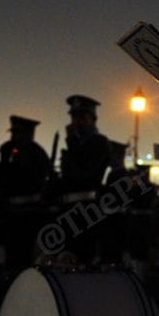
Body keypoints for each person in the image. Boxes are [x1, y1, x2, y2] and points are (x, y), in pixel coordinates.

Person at [0, 115, 51, 276]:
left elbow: (31, 181)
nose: (14, 137)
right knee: (9, 255)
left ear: (28, 134)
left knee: (23, 256)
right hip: (10, 211)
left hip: (28, 214)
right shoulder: (8, 150)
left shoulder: (36, 153)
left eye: (18, 133)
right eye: (13, 133)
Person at [59, 94, 113, 263]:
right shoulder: (75, 143)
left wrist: (71, 141)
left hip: (87, 209)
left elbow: (85, 175)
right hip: (69, 208)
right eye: (74, 117)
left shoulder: (99, 142)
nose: (76, 122)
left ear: (92, 119)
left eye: (82, 117)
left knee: (83, 258)